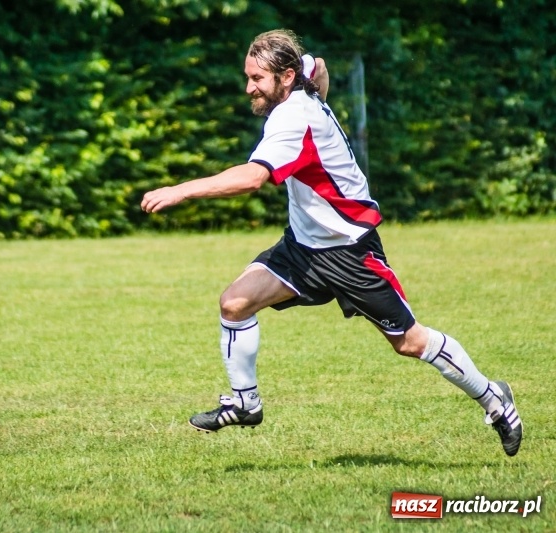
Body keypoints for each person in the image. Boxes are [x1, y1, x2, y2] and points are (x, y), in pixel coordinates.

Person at [140, 29, 523, 456]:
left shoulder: (292, 118)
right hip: (303, 247)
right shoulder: (299, 78)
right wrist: (318, 86)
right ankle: (246, 404)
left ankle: (494, 398)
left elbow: (252, 178)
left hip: (349, 250)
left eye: (257, 79)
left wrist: (180, 190)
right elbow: (317, 64)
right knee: (234, 304)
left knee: (410, 343)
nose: (249, 88)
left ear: (286, 77)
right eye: (247, 77)